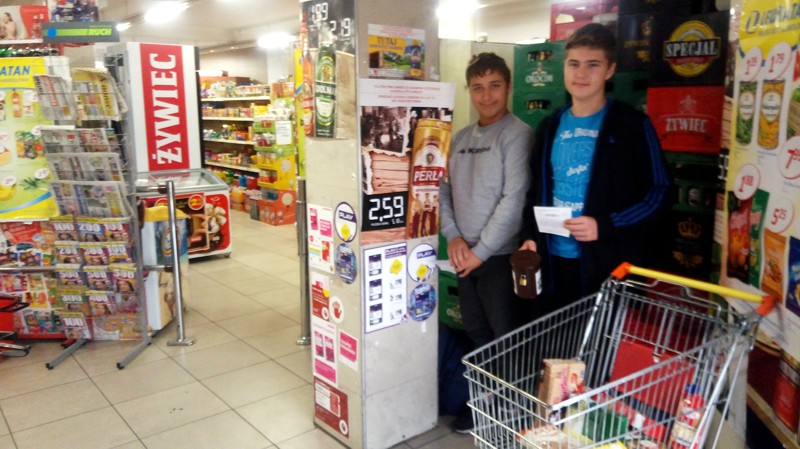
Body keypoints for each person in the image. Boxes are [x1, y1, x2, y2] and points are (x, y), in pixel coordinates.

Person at [520, 23, 669, 317]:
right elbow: (535, 190)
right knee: (555, 342)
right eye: (574, 64)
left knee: (600, 344)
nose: (581, 74)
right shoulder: (549, 127)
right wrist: (529, 236)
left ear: (609, 70)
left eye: (593, 64)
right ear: (564, 67)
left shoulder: (632, 124)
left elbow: (660, 192)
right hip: (552, 263)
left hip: (608, 267)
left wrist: (606, 224)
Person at [439, 52, 533, 433]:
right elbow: (442, 192)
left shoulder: (518, 135)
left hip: (501, 256)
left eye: (495, 86)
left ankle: (513, 407)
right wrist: (453, 237)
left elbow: (514, 200)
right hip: (466, 256)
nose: (487, 95)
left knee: (506, 335)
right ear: (469, 91)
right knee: (476, 331)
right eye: (478, 87)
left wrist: (479, 252)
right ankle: (485, 401)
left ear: (508, 87)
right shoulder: (460, 138)